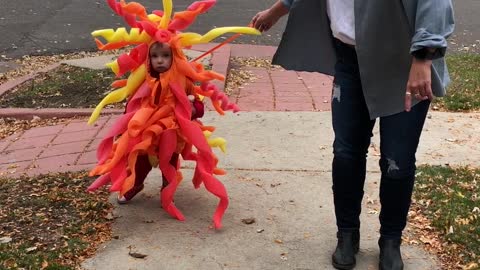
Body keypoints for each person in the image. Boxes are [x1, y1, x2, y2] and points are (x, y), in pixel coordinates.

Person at [252, 1, 454, 269]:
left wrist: (424, 56)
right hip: (348, 60)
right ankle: (347, 234)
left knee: (398, 160)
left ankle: (391, 240)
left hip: (402, 62)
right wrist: (275, 11)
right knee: (346, 153)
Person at [117, 41, 205, 204]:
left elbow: (198, 104)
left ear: (175, 58)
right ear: (148, 59)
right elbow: (133, 103)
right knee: (141, 162)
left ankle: (167, 188)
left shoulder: (184, 81)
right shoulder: (144, 81)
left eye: (165, 56)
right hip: (147, 132)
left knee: (169, 162)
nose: (159, 60)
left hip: (171, 132)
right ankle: (135, 184)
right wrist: (125, 124)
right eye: (154, 56)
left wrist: (193, 109)